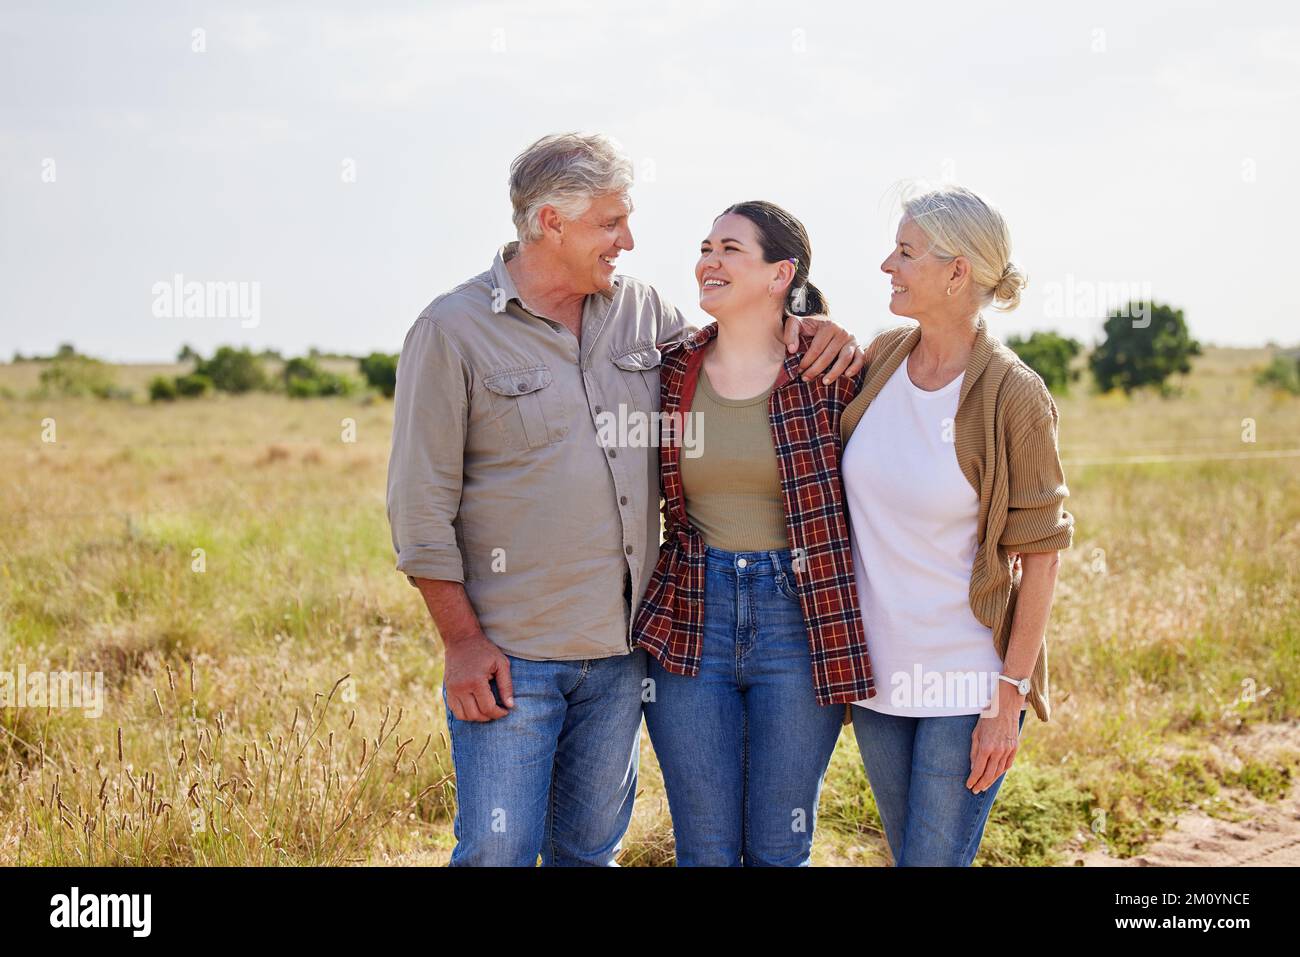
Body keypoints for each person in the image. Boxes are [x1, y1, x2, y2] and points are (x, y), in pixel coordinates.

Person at [386, 133, 864, 866]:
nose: (628, 241)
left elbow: (739, 340)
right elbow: (420, 509)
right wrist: (461, 642)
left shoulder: (643, 314)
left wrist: (813, 318)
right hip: (512, 655)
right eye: (612, 223)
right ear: (551, 221)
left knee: (590, 851)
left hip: (623, 655)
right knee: (498, 848)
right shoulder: (452, 330)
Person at [633, 201, 874, 866]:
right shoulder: (671, 368)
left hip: (798, 621)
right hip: (691, 618)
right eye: (705, 246)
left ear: (779, 274)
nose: (708, 260)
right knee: (706, 848)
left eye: (730, 248)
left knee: (779, 845)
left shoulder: (832, 372)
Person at [840, 184, 1074, 866]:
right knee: (908, 853)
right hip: (878, 677)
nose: (889, 264)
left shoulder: (1013, 392)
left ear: (957, 272)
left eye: (905, 252)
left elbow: (1043, 555)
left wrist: (1011, 695)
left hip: (967, 683)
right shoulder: (881, 359)